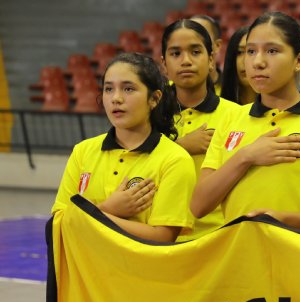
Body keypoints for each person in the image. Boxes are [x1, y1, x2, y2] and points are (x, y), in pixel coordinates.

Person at [190, 12, 300, 234]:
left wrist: (284, 220)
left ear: (299, 61)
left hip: (294, 259)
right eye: (251, 51)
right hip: (235, 258)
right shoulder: (231, 118)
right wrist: (246, 156)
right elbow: (199, 206)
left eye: (272, 51)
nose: (258, 62)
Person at [52, 53, 196, 242]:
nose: (116, 98)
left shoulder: (175, 159)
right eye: (109, 89)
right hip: (86, 270)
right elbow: (58, 223)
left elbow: (162, 237)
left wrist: (94, 215)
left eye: (128, 89)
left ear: (154, 98)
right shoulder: (83, 151)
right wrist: (108, 209)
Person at [161, 19, 239, 240]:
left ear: (212, 58)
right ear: (164, 64)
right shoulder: (148, 114)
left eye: (195, 52)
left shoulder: (236, 115)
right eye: (175, 54)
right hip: (161, 234)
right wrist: (180, 147)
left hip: (219, 236)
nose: (186, 61)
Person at [220, 26, 256, 105]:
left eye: (251, 52)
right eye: (239, 52)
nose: (245, 60)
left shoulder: (280, 110)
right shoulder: (219, 107)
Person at [190, 14, 224, 95]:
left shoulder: (235, 91)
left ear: (217, 45)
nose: (193, 41)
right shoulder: (167, 91)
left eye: (201, 35)